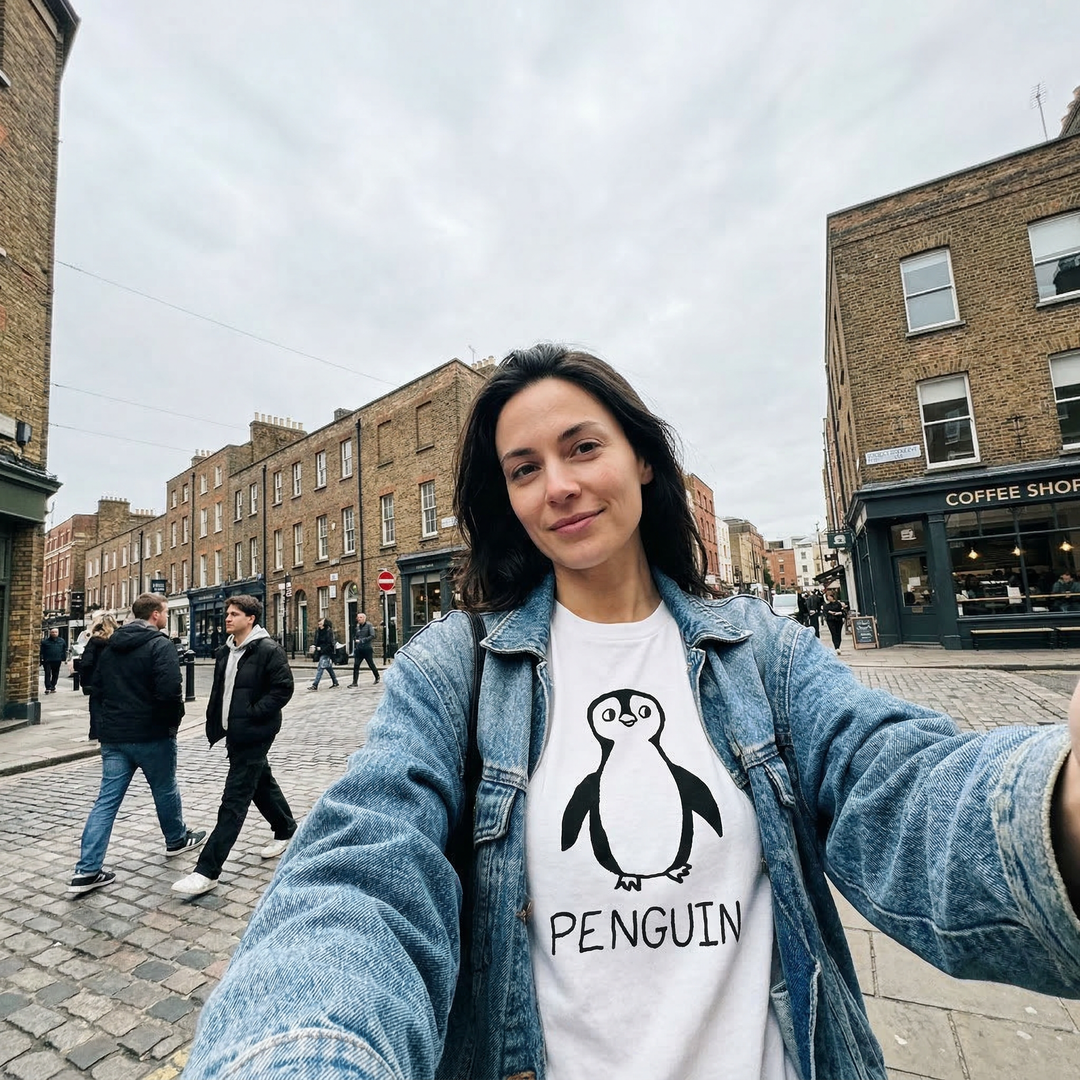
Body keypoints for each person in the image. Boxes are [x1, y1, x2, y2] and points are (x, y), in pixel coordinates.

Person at [184, 345, 1080, 1080]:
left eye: (582, 448)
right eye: (525, 469)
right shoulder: (453, 670)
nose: (559, 486)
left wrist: (1062, 802)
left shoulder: (759, 656)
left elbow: (895, 782)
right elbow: (362, 872)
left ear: (640, 459)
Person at [69, 593, 205, 896]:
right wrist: (171, 725)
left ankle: (86, 870)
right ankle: (176, 840)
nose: (167, 617)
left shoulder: (112, 646)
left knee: (106, 802)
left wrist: (106, 726)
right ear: (155, 615)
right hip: (152, 734)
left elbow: (97, 689)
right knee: (165, 788)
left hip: (115, 737)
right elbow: (170, 692)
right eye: (166, 612)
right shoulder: (160, 645)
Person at [172, 595, 297, 899]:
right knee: (260, 782)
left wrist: (254, 713)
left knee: (234, 799)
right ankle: (287, 830)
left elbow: (284, 688)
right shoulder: (225, 651)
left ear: (250, 618)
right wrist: (217, 720)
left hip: (255, 732)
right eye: (227, 614)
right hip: (234, 731)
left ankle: (207, 871)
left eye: (234, 614)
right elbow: (222, 691)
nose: (227, 618)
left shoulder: (268, 649)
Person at [79, 613, 118, 740]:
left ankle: (96, 733)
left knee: (96, 708)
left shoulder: (94, 642)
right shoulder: (118, 641)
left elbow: (86, 663)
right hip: (116, 681)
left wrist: (85, 682)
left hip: (97, 682)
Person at [348, 612, 380, 686]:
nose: (358, 619)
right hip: (359, 649)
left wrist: (363, 640)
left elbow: (372, 635)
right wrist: (355, 639)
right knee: (356, 665)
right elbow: (355, 635)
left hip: (367, 649)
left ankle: (377, 676)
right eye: (358, 617)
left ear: (364, 618)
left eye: (360, 617)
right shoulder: (357, 627)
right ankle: (354, 682)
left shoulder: (369, 625)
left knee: (370, 664)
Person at [308, 617, 339, 690]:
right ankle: (335, 682)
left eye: (321, 622)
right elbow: (316, 641)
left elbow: (330, 643)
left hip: (327, 652)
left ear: (325, 623)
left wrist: (322, 648)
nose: (319, 624)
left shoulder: (329, 631)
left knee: (320, 667)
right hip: (320, 652)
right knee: (328, 667)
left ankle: (315, 685)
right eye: (319, 623)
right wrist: (314, 646)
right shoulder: (318, 631)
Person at [40, 627, 66, 694]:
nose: (54, 633)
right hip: (47, 660)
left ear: (58, 633)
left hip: (57, 660)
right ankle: (48, 687)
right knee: (47, 674)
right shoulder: (45, 642)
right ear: (50, 633)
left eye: (56, 632)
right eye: (53, 632)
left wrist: (63, 658)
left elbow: (64, 650)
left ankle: (53, 686)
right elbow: (41, 652)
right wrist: (41, 660)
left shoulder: (62, 641)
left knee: (55, 674)